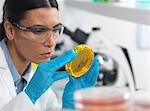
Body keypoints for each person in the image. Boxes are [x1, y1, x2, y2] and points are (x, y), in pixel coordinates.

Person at [0, 0, 100, 111]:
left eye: (56, 29)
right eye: (38, 30)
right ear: (10, 30)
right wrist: (29, 95)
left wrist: (70, 107)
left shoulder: (38, 78)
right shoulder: (36, 85)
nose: (51, 42)